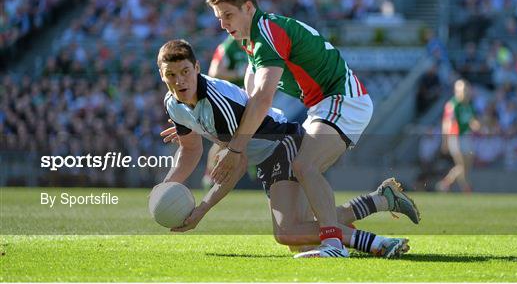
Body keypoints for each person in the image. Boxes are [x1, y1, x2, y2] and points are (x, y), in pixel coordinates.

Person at [205, 0, 419, 258]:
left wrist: (236, 147)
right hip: (323, 107)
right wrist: (196, 123)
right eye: (220, 18)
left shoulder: (267, 31)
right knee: (297, 231)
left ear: (248, 7)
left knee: (305, 165)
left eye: (228, 15)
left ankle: (335, 246)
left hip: (342, 98)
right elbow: (250, 98)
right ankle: (379, 201)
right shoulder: (253, 40)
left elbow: (262, 100)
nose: (223, 24)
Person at [156, 39, 419, 258]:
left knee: (287, 232)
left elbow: (236, 165)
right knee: (302, 233)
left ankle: (378, 243)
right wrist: (165, 188)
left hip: (283, 143)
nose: (179, 81)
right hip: (268, 156)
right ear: (162, 76)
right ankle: (381, 199)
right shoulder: (172, 103)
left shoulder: (216, 102)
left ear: (197, 68)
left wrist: (202, 209)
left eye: (185, 72)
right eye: (171, 75)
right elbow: (191, 151)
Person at [202, 36, 251, 190]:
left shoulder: (252, 43)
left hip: (246, 99)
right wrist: (238, 73)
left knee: (244, 134)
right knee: (224, 139)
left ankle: (252, 165)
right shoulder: (228, 46)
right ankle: (209, 175)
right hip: (228, 99)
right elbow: (214, 71)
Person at [437, 79, 480, 192]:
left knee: (465, 166)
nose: (465, 93)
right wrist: (445, 141)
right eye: (463, 90)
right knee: (461, 164)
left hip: (466, 136)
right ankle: (466, 188)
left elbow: (472, 120)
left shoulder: (469, 104)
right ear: (457, 91)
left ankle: (446, 182)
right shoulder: (453, 104)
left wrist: (476, 125)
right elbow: (447, 123)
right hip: (455, 137)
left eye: (467, 90)